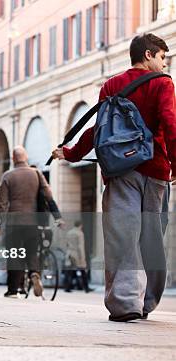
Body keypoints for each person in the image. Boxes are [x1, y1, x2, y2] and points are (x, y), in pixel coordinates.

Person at [52, 33, 176, 322]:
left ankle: (125, 303)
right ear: (148, 55)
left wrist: (71, 153)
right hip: (155, 170)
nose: (164, 63)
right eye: (162, 58)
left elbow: (100, 128)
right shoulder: (163, 83)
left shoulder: (111, 85)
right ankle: (146, 301)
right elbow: (170, 124)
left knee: (123, 236)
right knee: (152, 238)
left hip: (120, 172)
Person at [0, 146, 63, 298]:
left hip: (14, 222)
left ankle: (13, 290)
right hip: (33, 222)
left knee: (15, 255)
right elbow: (48, 196)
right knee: (32, 252)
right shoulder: (37, 173)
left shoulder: (8, 176)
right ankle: (34, 273)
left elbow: (2, 203)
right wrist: (58, 217)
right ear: (26, 158)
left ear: (13, 159)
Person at [63, 220, 93, 293]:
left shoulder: (69, 232)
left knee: (69, 271)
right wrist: (83, 258)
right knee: (83, 271)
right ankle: (86, 288)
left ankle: (67, 287)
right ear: (80, 225)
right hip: (76, 254)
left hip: (69, 253)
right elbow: (80, 246)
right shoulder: (80, 233)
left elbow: (66, 244)